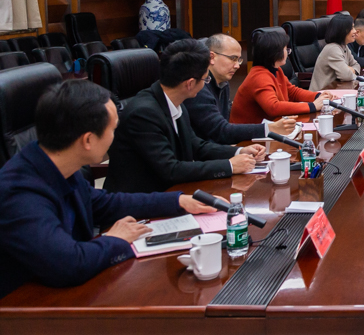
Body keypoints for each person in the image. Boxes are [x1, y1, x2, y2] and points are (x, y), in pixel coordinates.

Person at [0, 81, 219, 298]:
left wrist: (178, 201)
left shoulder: (57, 163)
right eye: (113, 129)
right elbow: (69, 263)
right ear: (88, 140)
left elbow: (104, 203)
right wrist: (116, 239)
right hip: (27, 304)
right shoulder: (18, 193)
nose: (115, 136)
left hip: (69, 292)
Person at [105, 39, 265, 194]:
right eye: (205, 79)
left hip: (173, 192)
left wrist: (239, 152)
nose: (206, 83)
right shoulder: (143, 114)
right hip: (142, 202)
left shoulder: (174, 101)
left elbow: (195, 145)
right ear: (189, 84)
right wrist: (229, 166)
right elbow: (170, 169)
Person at [183, 33, 297, 144]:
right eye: (233, 58)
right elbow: (219, 131)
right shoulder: (198, 89)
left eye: (238, 60)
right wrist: (269, 128)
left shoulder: (223, 83)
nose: (237, 66)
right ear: (212, 57)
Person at [229, 30, 332, 123]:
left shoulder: (276, 71)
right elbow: (273, 107)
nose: (288, 53)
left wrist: (318, 96)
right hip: (249, 134)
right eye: (286, 49)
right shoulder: (259, 77)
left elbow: (293, 92)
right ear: (274, 53)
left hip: (270, 127)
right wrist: (312, 106)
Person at [310, 14, 362, 91]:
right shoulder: (333, 49)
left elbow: (357, 65)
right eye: (351, 28)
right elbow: (346, 75)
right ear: (342, 31)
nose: (355, 31)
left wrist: (351, 69)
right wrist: (349, 70)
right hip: (322, 94)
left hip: (334, 90)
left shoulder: (344, 46)